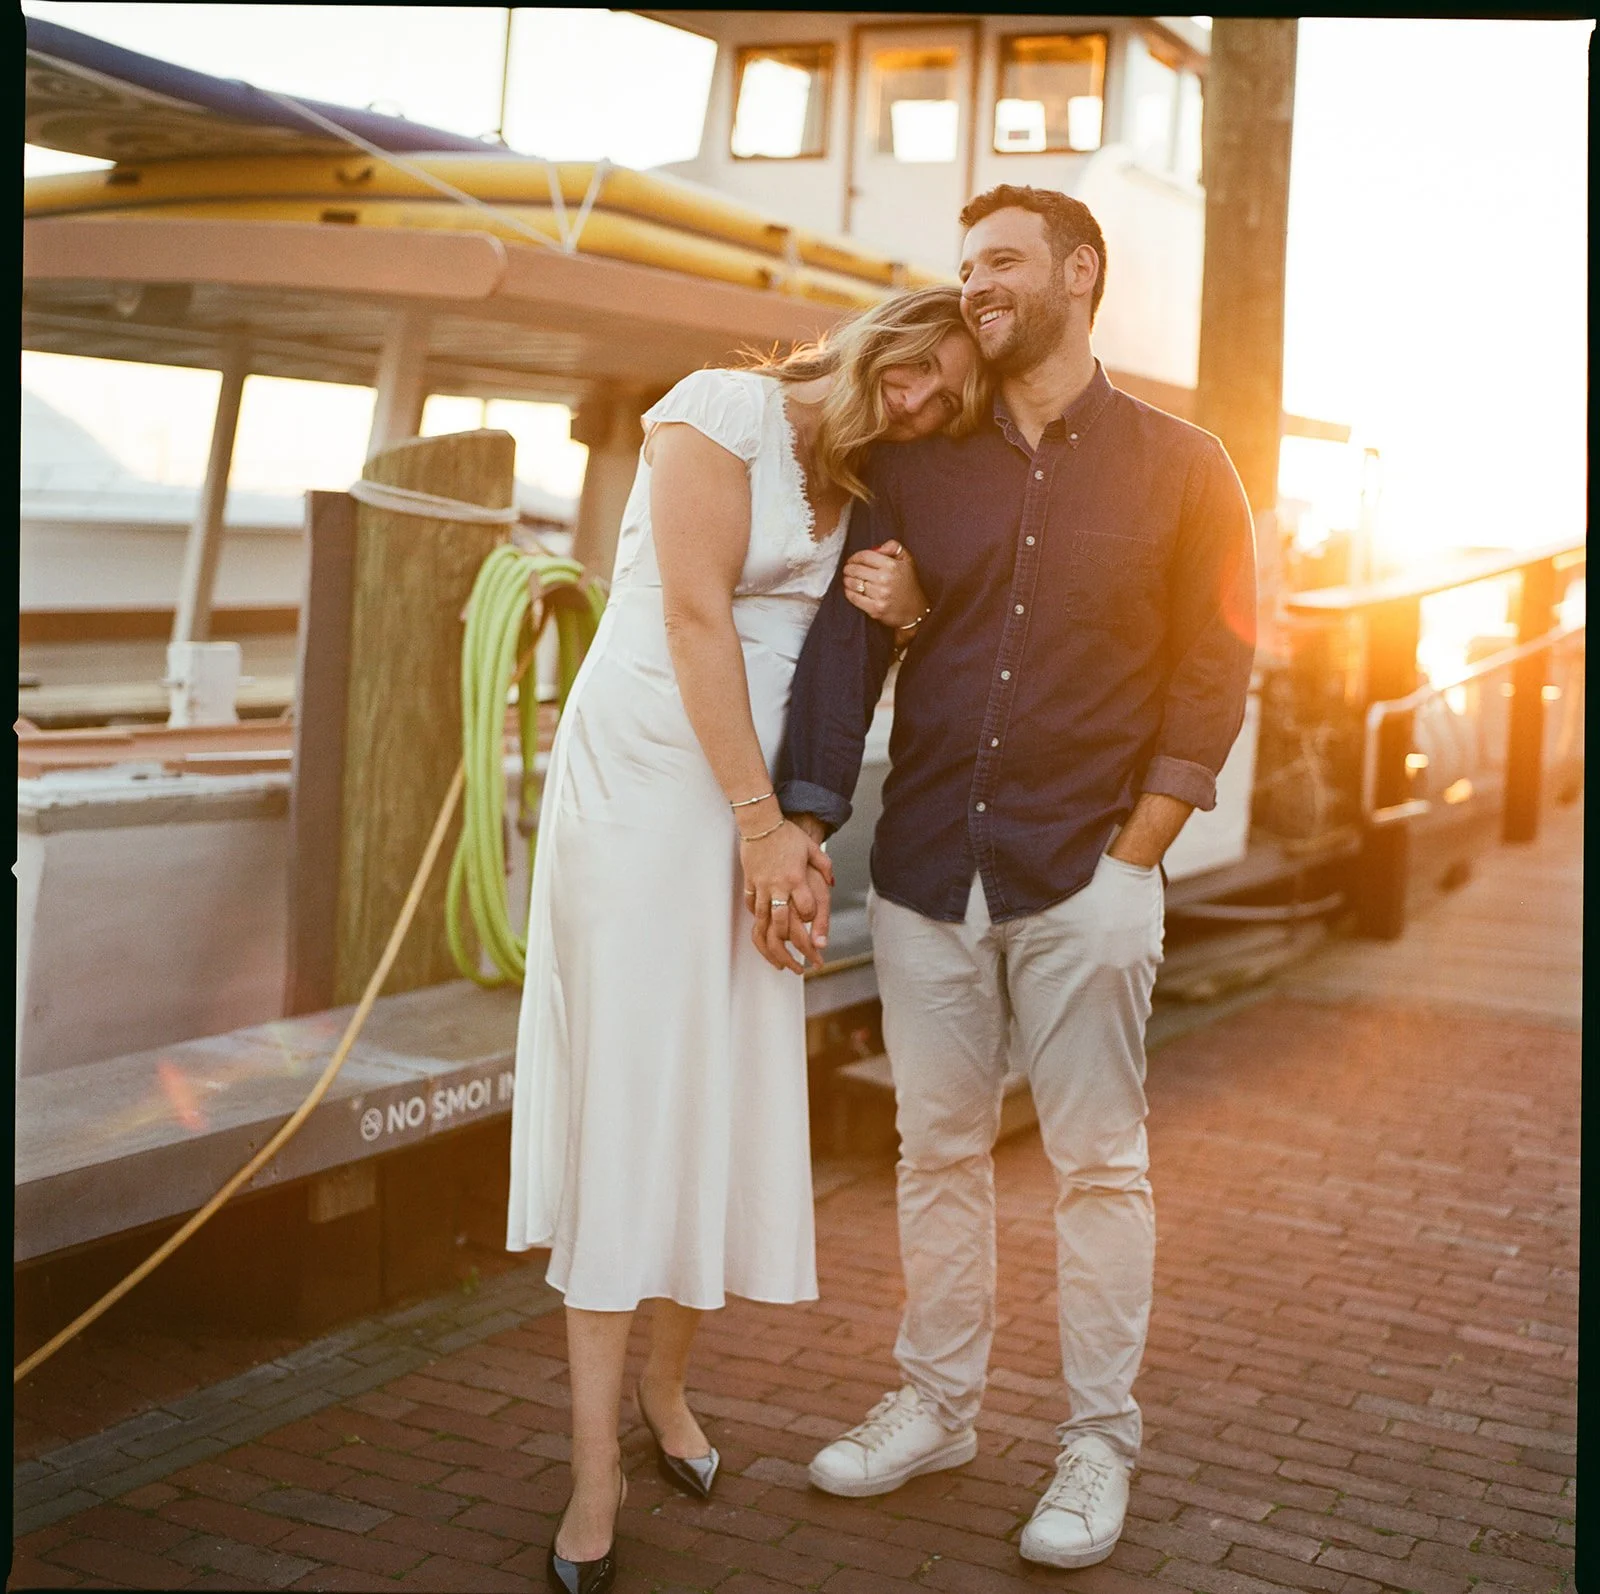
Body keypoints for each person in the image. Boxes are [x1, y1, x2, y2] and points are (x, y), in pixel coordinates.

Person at [774, 184, 1257, 1570]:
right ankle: (938, 1404)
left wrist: (1133, 861)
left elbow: (1213, 670)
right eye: (966, 264)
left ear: (1079, 273)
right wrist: (805, 817)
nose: (974, 283)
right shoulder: (922, 466)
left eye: (1000, 262)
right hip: (928, 867)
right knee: (936, 1153)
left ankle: (1097, 1441)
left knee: (1100, 1166)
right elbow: (847, 652)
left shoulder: (1186, 465)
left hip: (1088, 872)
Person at [506, 285, 986, 1594]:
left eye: (954, 395)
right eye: (918, 368)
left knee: (714, 1092)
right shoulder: (719, 410)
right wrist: (759, 819)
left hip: (771, 807)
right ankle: (592, 1467)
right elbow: (695, 617)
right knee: (633, 1099)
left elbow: (843, 659)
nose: (926, 398)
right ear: (874, 338)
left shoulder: (878, 484)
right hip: (660, 788)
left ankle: (667, 1390)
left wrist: (900, 613)